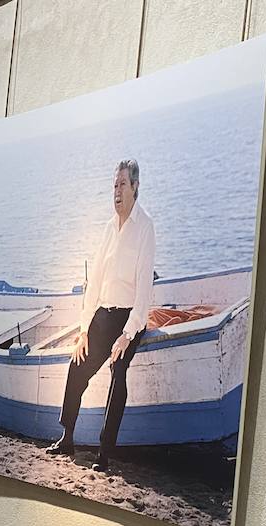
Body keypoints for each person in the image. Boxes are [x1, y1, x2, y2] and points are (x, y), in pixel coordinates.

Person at [47, 159, 157, 473]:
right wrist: (84, 330)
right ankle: (67, 436)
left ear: (135, 187)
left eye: (122, 184)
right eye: (114, 185)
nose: (117, 191)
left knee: (117, 372)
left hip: (128, 319)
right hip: (103, 316)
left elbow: (144, 292)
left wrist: (127, 334)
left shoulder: (145, 228)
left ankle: (104, 453)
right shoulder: (109, 228)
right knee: (77, 365)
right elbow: (94, 283)